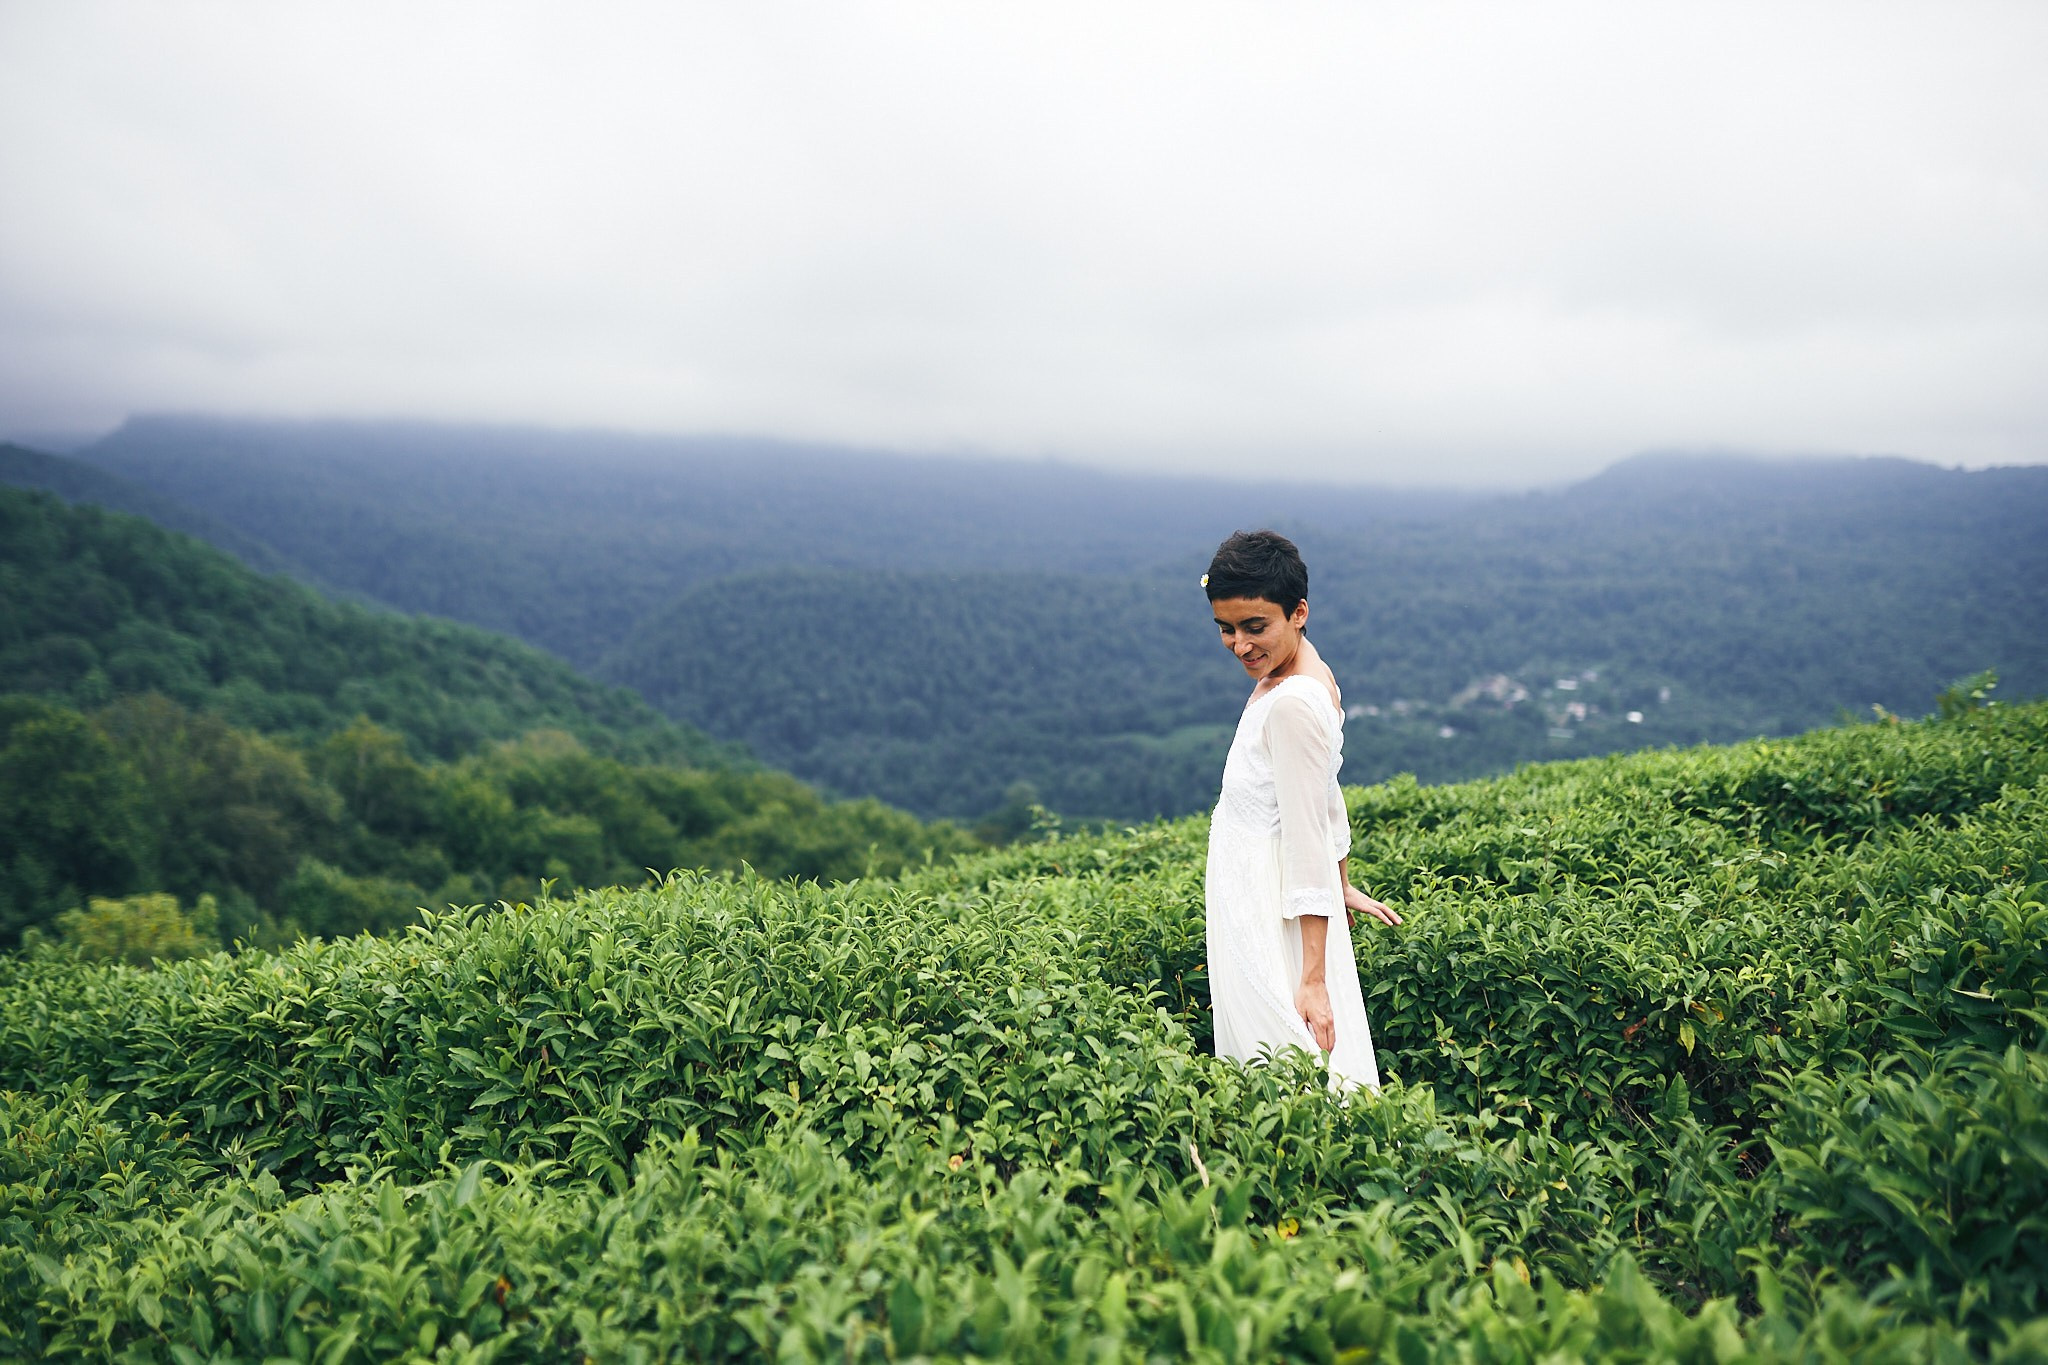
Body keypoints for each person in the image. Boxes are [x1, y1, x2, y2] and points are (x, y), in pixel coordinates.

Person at [1202, 530, 1400, 1093]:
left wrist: (1313, 976)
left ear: (1299, 612)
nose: (1240, 645)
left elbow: (1307, 830)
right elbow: (1324, 794)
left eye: (1255, 626)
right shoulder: (1306, 669)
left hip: (1265, 899)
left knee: (1281, 1062)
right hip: (1262, 884)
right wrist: (1342, 881)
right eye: (1226, 629)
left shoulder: (1292, 703)